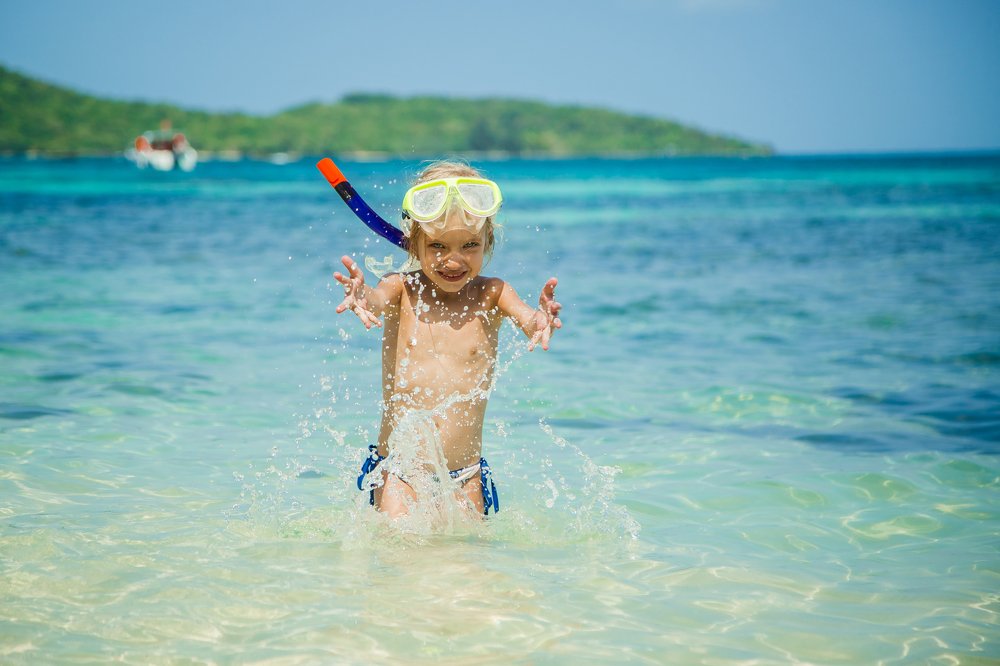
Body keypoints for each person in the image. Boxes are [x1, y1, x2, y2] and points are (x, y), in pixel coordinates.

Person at [333, 160, 562, 519]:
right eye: (438, 245)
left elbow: (528, 321)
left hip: (466, 476)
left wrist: (540, 320)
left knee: (466, 566)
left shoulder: (493, 293)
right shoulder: (402, 288)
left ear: (488, 240)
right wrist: (363, 297)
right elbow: (375, 301)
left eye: (469, 244)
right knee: (400, 559)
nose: (453, 260)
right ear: (415, 245)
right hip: (401, 470)